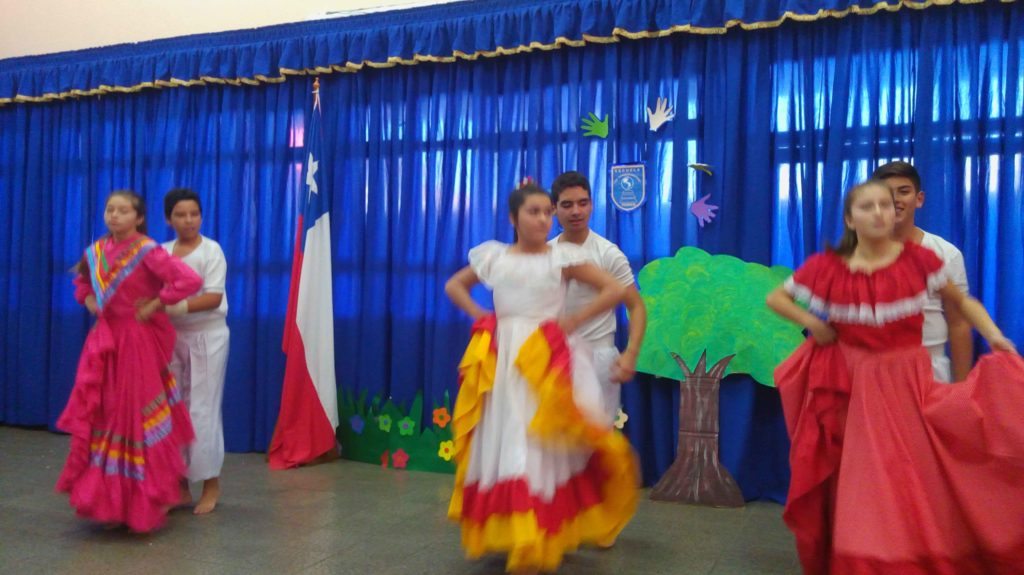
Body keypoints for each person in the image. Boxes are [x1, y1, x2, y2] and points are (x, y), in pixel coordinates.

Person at [766, 179, 1024, 573]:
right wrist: (812, 323)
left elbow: (963, 304)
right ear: (850, 219)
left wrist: (994, 335)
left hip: (905, 381)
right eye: (867, 207)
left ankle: (904, 553)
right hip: (847, 382)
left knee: (907, 474)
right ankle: (860, 555)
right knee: (859, 477)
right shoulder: (828, 268)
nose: (879, 213)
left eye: (886, 205)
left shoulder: (920, 262)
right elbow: (776, 297)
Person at [445, 181, 640, 575]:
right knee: (507, 434)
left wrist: (573, 320)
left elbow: (615, 290)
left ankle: (539, 530)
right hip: (504, 360)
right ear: (513, 218)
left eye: (546, 212)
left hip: (544, 359)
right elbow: (455, 285)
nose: (543, 219)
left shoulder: (560, 257)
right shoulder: (494, 256)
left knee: (538, 440)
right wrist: (480, 318)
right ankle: (516, 528)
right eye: (534, 212)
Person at [57, 190, 203, 532]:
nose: (115, 216)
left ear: (138, 218)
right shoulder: (95, 253)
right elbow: (82, 284)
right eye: (110, 210)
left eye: (124, 211)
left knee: (134, 414)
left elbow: (189, 280)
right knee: (107, 412)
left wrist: (155, 304)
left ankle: (145, 499)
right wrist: (91, 301)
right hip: (105, 343)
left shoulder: (147, 250)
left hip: (137, 343)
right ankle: (111, 501)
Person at [549, 171, 646, 425]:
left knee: (595, 441)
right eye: (567, 205)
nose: (576, 211)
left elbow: (636, 306)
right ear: (554, 209)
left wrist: (631, 353)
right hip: (553, 357)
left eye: (582, 203)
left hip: (599, 357)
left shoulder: (609, 254)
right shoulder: (545, 254)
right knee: (553, 446)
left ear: (592, 205)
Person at [162, 188, 230, 515]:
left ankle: (210, 484)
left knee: (201, 410)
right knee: (174, 410)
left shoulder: (212, 250)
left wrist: (176, 306)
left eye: (194, 214)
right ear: (169, 219)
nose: (189, 220)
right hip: (171, 338)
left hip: (208, 336)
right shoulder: (160, 253)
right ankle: (179, 486)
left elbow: (214, 298)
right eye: (181, 215)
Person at [872, 160, 971, 382]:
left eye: (903, 191)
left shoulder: (946, 253)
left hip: (930, 373)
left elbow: (959, 324)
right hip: (871, 376)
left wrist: (962, 390)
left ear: (919, 199)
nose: (895, 199)